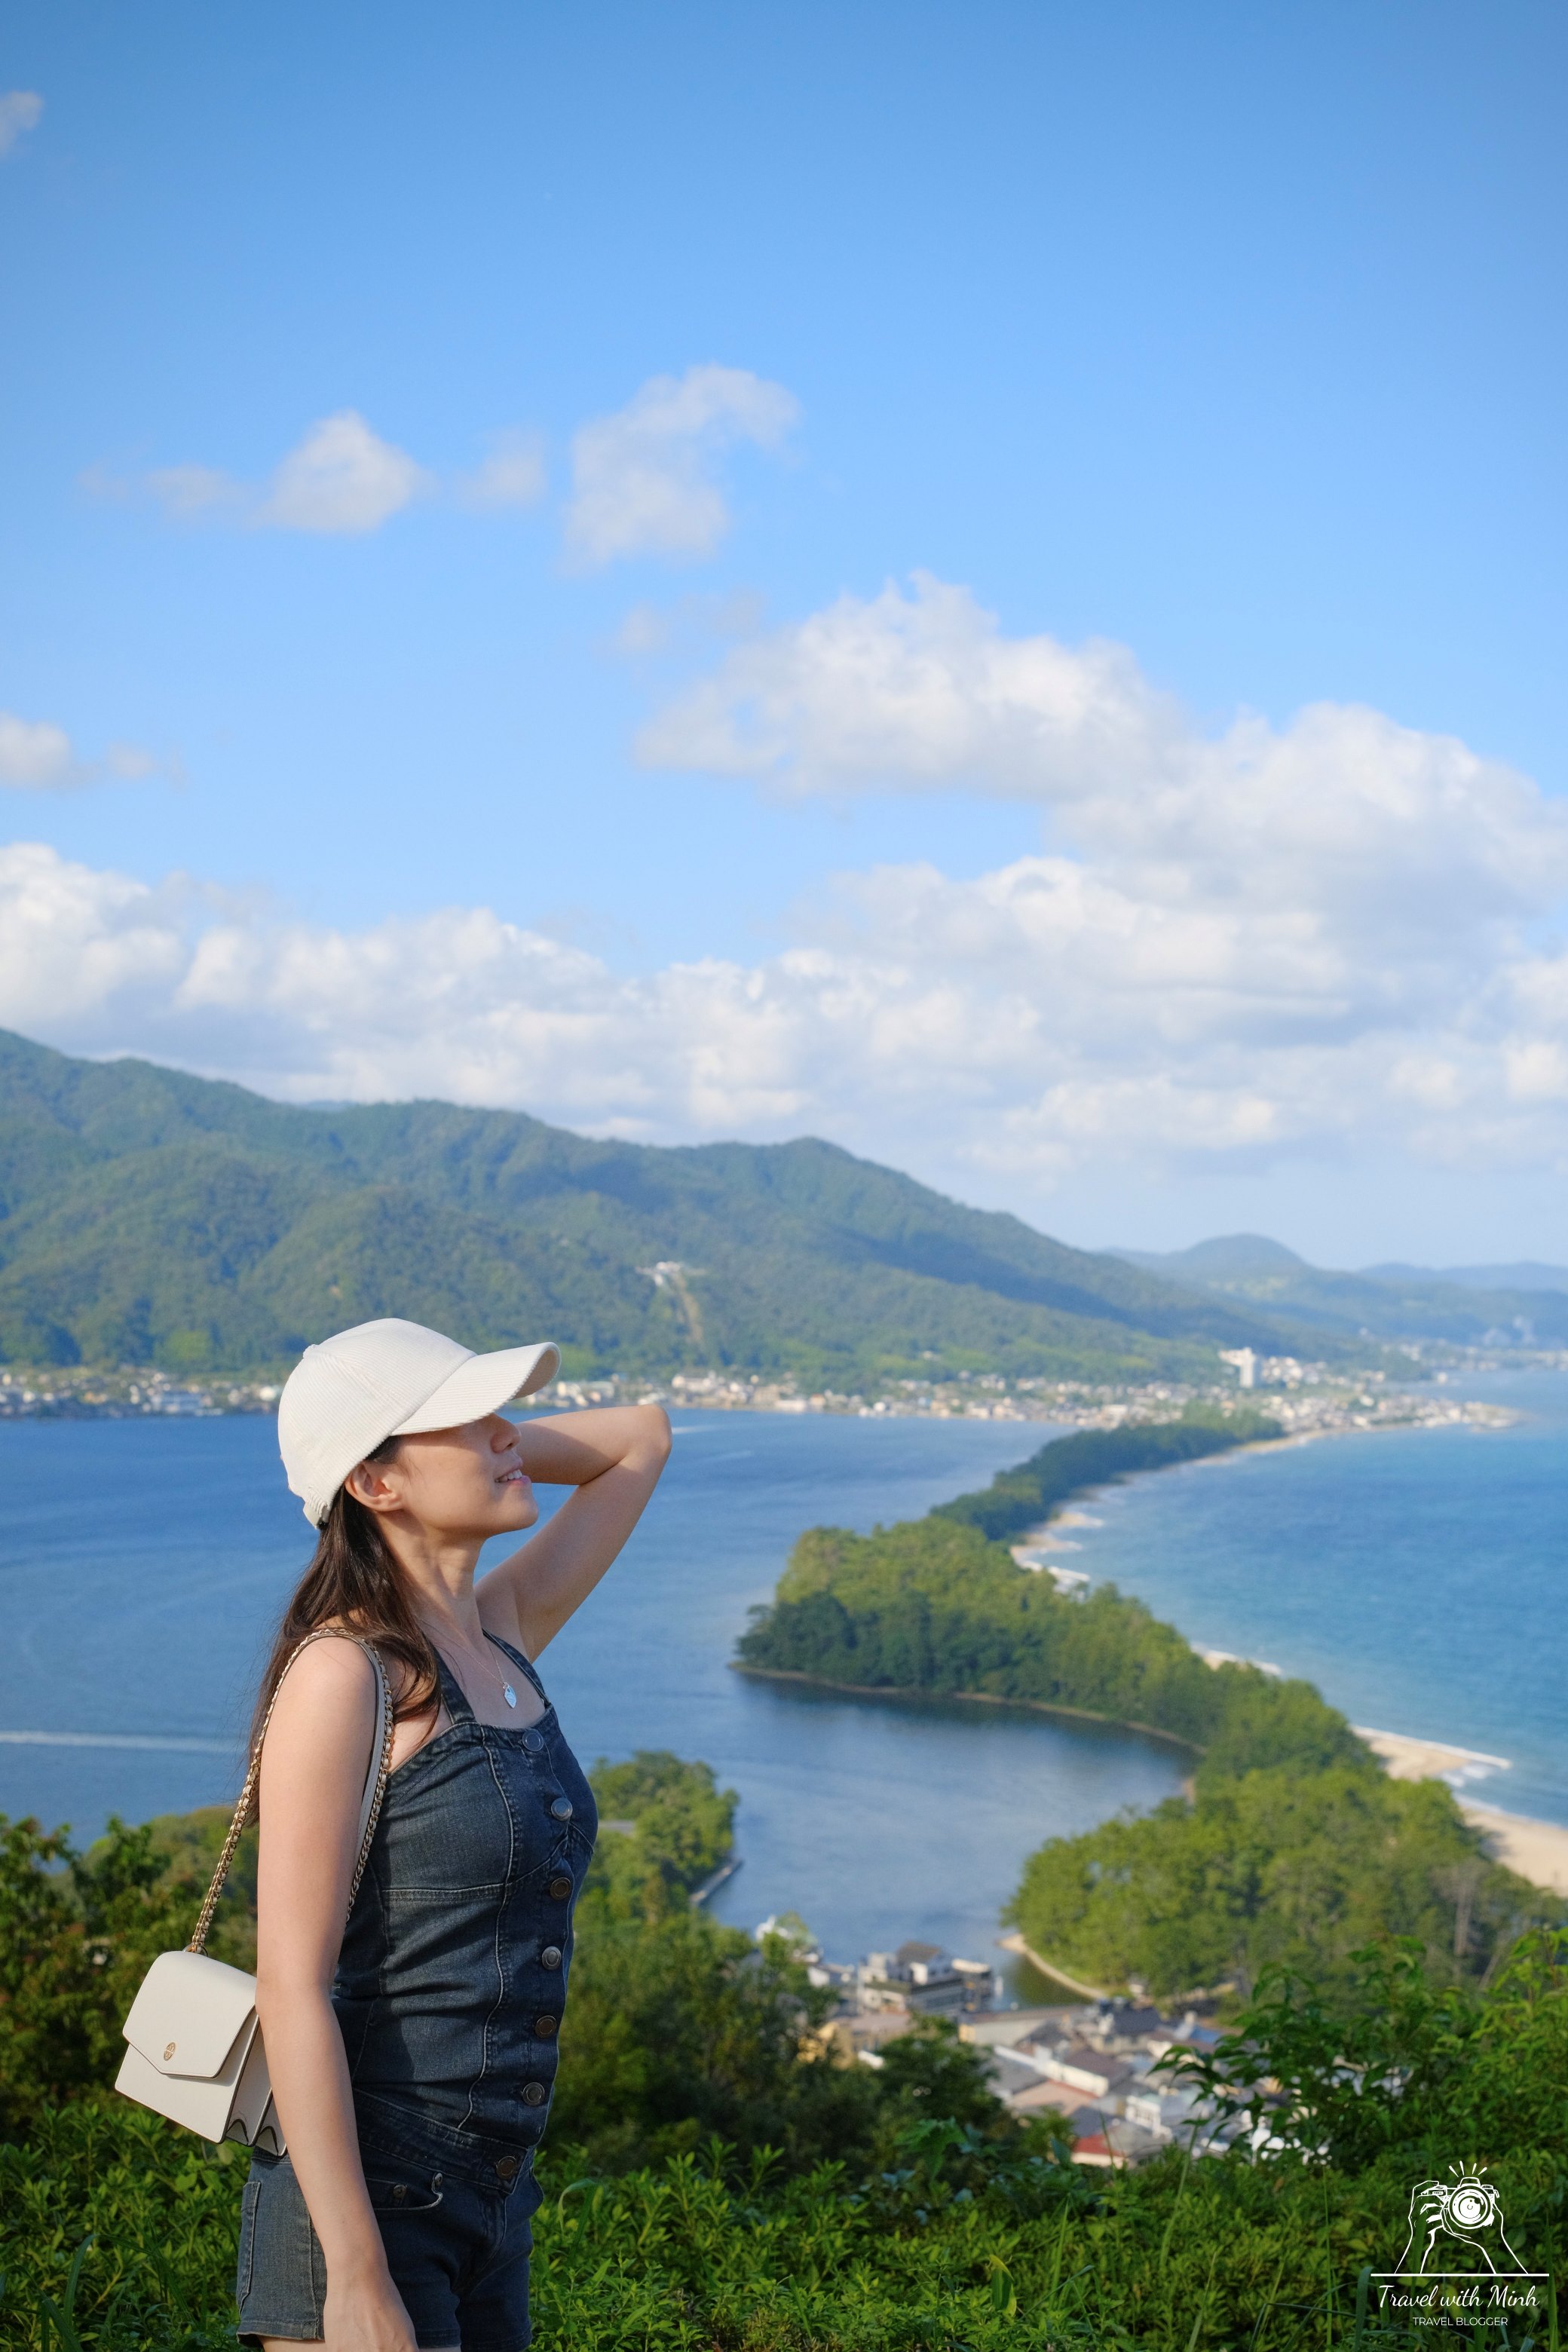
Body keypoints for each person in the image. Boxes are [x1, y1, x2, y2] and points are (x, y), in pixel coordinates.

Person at [235, 1317, 671, 2352]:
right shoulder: (344, 1677)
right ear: (375, 1482)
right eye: (466, 1420)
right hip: (365, 2206)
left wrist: (476, 1447)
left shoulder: (499, 1634)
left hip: (495, 2200)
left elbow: (641, 1438)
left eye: (499, 1414)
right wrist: (354, 2276)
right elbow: (289, 1987)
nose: (507, 1432)